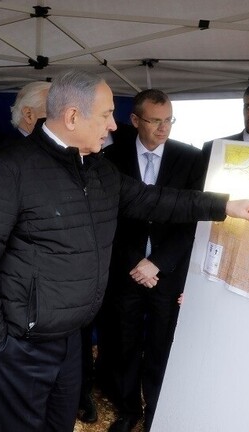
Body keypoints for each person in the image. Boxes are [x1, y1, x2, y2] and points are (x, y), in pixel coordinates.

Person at [0, 69, 249, 432]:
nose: (113, 125)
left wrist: (226, 205)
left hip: (71, 338)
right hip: (22, 342)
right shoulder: (7, 169)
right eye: (107, 115)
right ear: (73, 116)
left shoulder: (97, 169)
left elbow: (155, 199)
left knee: (59, 425)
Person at [102, 89, 207, 432]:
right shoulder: (110, 156)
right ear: (135, 120)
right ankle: (128, 411)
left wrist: (157, 262)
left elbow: (193, 218)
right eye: (155, 121)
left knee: (162, 343)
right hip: (126, 270)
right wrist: (136, 263)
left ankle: (156, 414)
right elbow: (106, 218)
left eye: (169, 120)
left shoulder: (191, 158)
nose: (164, 128)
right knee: (124, 342)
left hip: (168, 272)